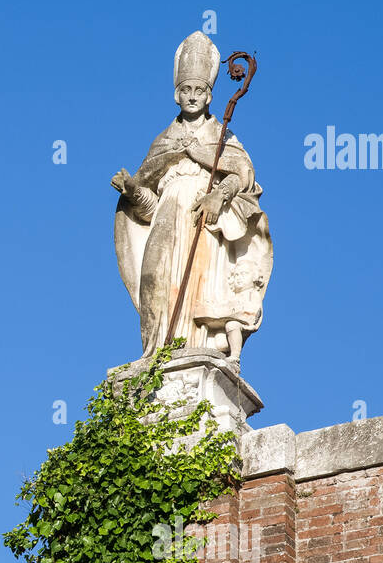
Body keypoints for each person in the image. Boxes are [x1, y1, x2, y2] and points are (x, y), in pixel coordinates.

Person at [112, 32, 272, 366]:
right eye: (186, 90)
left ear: (210, 95)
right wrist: (133, 191)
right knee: (154, 279)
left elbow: (243, 174)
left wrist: (218, 195)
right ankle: (155, 354)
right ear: (176, 94)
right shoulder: (164, 140)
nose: (193, 96)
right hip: (165, 221)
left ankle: (192, 352)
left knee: (199, 290)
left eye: (199, 90)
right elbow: (149, 209)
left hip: (201, 222)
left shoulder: (220, 136)